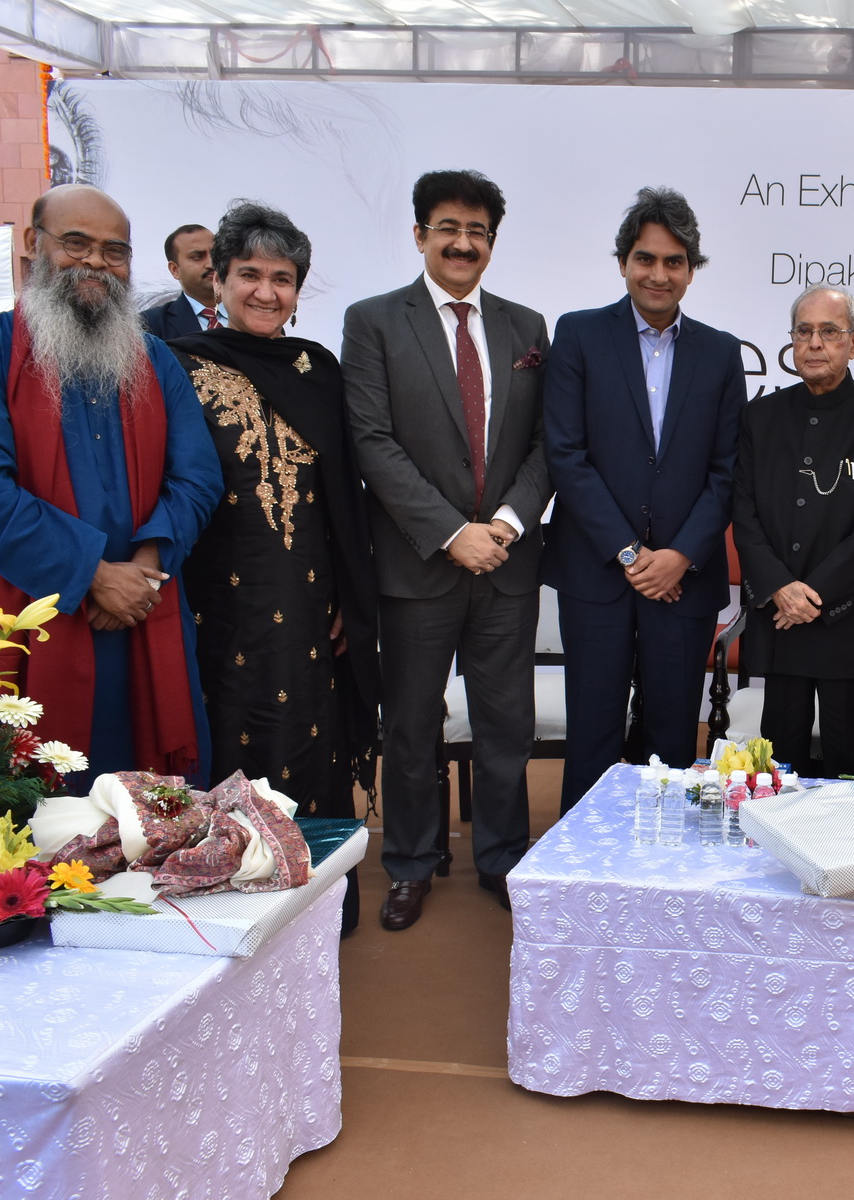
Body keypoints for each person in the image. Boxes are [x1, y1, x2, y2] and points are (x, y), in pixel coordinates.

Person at [0, 184, 222, 784]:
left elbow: (197, 477)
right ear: (34, 245)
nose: (96, 262)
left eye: (115, 251)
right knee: (29, 815)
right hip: (29, 625)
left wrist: (143, 569)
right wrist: (93, 575)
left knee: (150, 814)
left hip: (144, 616)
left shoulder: (156, 361)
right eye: (76, 243)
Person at [342, 170, 552, 931]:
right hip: (416, 565)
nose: (464, 243)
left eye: (478, 232)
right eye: (448, 229)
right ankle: (410, 863)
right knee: (410, 727)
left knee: (506, 726)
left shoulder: (527, 328)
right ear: (420, 235)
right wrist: (449, 532)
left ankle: (501, 858)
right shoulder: (373, 322)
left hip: (506, 562)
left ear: (492, 242)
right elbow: (372, 442)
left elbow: (544, 445)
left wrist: (503, 524)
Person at [171, 201, 380, 934]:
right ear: (218, 280)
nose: (266, 292)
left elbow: (344, 500)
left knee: (312, 743)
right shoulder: (179, 367)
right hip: (218, 607)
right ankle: (237, 906)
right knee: (231, 740)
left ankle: (320, 910)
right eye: (249, 275)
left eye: (283, 278)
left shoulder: (317, 369)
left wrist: (350, 600)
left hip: (312, 602)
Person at [543, 187, 746, 810]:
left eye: (674, 260)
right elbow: (567, 456)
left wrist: (680, 555)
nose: (659, 273)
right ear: (624, 262)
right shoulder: (578, 336)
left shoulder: (719, 351)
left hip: (683, 582)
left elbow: (727, 471)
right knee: (594, 735)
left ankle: (666, 879)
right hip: (599, 575)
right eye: (645, 258)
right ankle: (584, 872)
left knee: (672, 736)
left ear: (692, 268)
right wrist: (632, 556)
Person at [731, 288, 854, 777]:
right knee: (780, 766)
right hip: (780, 617)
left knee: (850, 767)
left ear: (853, 343)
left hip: (847, 619)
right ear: (791, 341)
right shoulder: (760, 417)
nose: (815, 343)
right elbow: (743, 511)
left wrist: (811, 595)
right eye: (804, 331)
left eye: (829, 332)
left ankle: (849, 855)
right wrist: (779, 588)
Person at [142, 224, 222, 339]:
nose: (211, 264)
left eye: (216, 255)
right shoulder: (150, 325)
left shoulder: (251, 313)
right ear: (175, 270)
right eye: (197, 256)